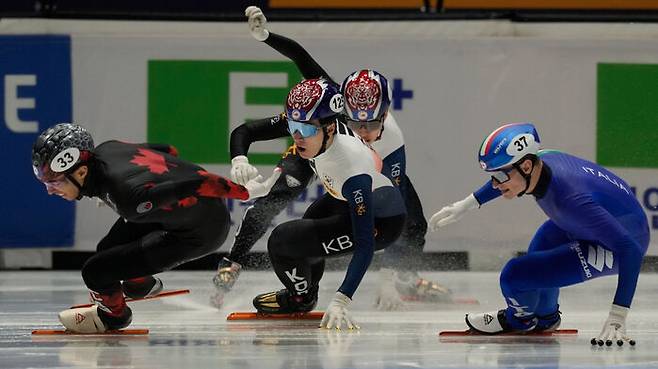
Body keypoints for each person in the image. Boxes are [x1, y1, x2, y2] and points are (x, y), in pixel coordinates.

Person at [210, 6, 450, 310]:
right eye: (354, 122)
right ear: (340, 109)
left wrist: (383, 281)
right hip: (323, 153)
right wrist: (265, 37)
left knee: (413, 222)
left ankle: (403, 277)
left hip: (359, 173)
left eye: (371, 125)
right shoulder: (326, 109)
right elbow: (301, 58)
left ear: (386, 115)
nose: (362, 132)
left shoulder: (390, 143)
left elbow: (392, 211)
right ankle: (237, 261)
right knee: (278, 196)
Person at [32, 123, 279, 333]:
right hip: (177, 213)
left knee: (95, 272)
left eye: (54, 182)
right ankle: (141, 285)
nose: (50, 190)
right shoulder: (106, 149)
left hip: (202, 232)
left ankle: (114, 316)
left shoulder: (128, 197)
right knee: (107, 249)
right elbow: (166, 150)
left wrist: (245, 192)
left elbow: (197, 183)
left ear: (82, 171)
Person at [429, 123, 648, 345]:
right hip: (596, 223)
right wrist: (466, 205)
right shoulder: (540, 159)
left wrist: (618, 315)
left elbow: (631, 249)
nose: (495, 184)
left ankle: (518, 321)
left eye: (500, 176)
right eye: (492, 176)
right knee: (540, 247)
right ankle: (546, 318)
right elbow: (506, 175)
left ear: (525, 165)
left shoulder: (570, 201)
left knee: (514, 275)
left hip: (621, 245)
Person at [252, 78, 406, 329]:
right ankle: (309, 291)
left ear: (330, 129)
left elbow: (365, 246)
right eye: (294, 126)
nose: (299, 136)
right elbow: (246, 131)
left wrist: (340, 300)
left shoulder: (352, 172)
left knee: (283, 241)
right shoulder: (325, 128)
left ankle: (300, 299)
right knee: (308, 227)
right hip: (346, 198)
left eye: (308, 130)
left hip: (382, 221)